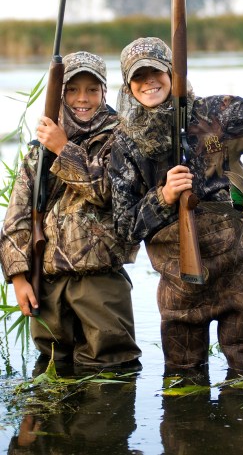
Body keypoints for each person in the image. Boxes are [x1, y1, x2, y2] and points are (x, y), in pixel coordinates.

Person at [109, 37, 243, 374]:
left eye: (157, 72)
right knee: (182, 380)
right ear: (128, 86)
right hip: (178, 284)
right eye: (138, 76)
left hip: (236, 270)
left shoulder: (213, 112)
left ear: (173, 74)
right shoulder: (125, 144)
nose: (149, 81)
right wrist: (164, 197)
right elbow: (123, 229)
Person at [0, 51, 141, 369]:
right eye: (72, 89)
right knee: (52, 369)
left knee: (110, 369)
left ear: (105, 92)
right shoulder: (41, 145)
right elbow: (17, 213)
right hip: (47, 284)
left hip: (100, 281)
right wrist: (19, 276)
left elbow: (108, 192)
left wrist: (63, 148)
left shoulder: (122, 137)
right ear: (60, 93)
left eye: (92, 89)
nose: (83, 98)